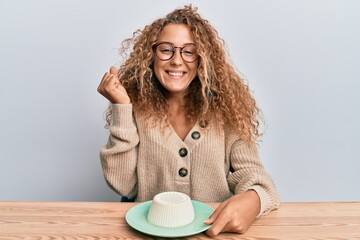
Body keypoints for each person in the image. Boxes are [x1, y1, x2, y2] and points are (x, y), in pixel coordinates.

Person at [97, 5, 279, 236]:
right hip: (149, 234)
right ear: (151, 55)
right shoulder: (136, 110)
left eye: (189, 51)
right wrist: (122, 106)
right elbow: (123, 185)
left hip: (212, 233)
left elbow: (257, 179)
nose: (176, 60)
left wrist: (253, 198)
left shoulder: (226, 112)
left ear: (202, 59)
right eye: (166, 50)